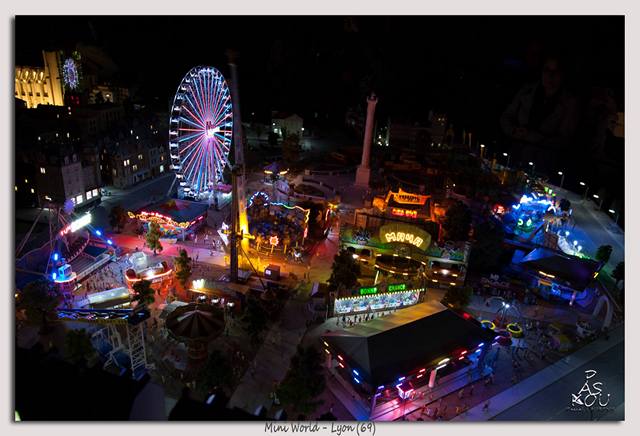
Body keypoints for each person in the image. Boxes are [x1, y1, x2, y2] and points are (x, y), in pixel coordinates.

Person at [500, 54, 578, 175]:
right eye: (547, 70)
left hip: (542, 166)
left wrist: (536, 138)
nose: (550, 76)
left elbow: (565, 139)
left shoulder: (569, 103)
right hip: (514, 156)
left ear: (562, 75)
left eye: (555, 72)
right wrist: (514, 131)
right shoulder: (527, 90)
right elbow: (506, 116)